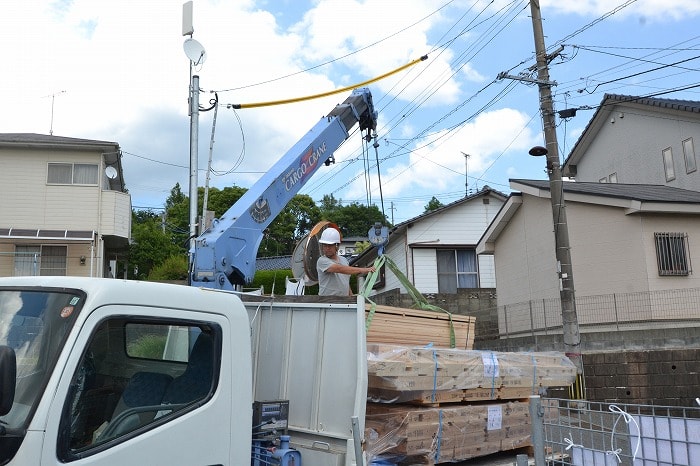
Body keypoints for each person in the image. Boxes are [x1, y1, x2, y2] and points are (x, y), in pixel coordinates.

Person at [316, 227, 376, 296]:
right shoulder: (322, 261)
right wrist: (363, 270)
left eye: (330, 245)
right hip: (326, 302)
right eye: (324, 245)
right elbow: (339, 269)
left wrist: (351, 296)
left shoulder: (344, 260)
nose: (327, 248)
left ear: (337, 246)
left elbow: (345, 281)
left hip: (343, 302)